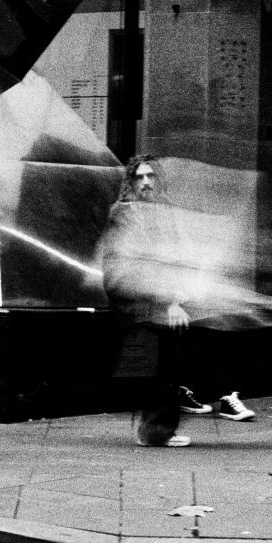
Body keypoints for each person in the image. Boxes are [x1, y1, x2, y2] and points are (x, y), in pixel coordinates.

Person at [100, 156, 192, 447]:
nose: (146, 182)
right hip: (139, 302)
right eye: (139, 177)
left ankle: (157, 429)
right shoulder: (126, 213)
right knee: (161, 366)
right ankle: (154, 431)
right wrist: (170, 301)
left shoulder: (162, 214)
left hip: (154, 299)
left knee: (166, 365)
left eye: (150, 176)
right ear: (131, 182)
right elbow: (138, 263)